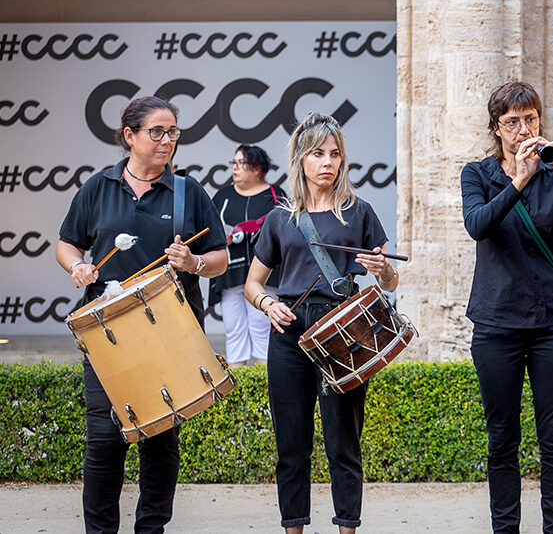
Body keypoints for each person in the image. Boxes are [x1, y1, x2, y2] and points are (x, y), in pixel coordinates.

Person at [55, 95, 227, 533]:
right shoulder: (98, 187)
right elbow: (67, 242)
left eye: (173, 132)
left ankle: (151, 530)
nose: (167, 140)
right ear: (129, 136)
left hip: (170, 332)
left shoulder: (189, 191)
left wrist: (193, 264)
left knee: (161, 441)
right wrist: (77, 265)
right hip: (106, 332)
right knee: (104, 442)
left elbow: (220, 257)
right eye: (157, 132)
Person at [460, 81, 553, 533]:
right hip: (497, 320)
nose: (523, 130)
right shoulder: (477, 174)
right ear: (497, 129)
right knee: (502, 438)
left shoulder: (551, 174)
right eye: (513, 122)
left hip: (552, 321)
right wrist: (518, 180)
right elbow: (478, 226)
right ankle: (506, 529)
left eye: (531, 120)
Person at [244, 112, 397, 534]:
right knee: (290, 448)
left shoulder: (359, 212)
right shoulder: (279, 218)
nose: (328, 162)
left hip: (343, 334)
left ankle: (347, 527)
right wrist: (267, 304)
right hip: (289, 333)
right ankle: (294, 527)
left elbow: (390, 277)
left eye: (335, 154)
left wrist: (382, 269)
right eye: (318, 154)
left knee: (343, 445)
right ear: (300, 159)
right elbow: (253, 284)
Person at [209, 144, 286, 366]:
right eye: (233, 163)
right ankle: (239, 386)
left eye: (241, 163)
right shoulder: (222, 196)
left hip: (266, 272)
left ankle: (265, 387)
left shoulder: (275, 194)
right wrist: (222, 238)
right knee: (234, 329)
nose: (235, 168)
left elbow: (288, 229)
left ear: (257, 168)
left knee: (262, 326)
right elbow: (209, 231)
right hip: (230, 271)